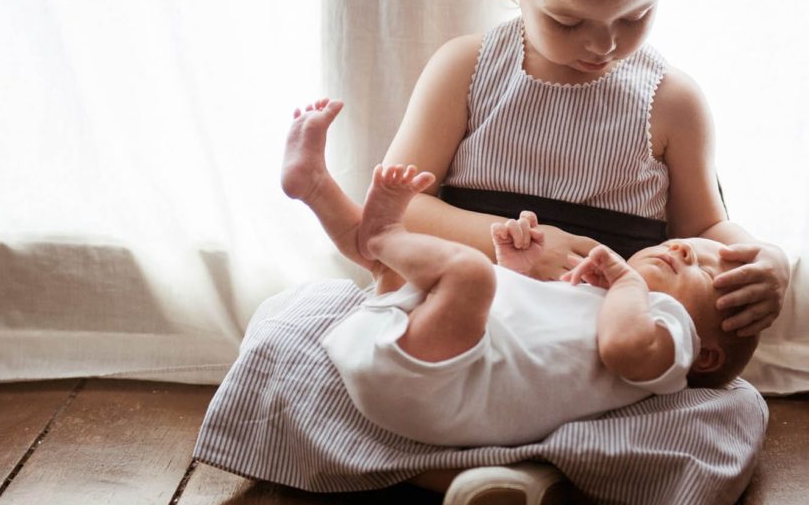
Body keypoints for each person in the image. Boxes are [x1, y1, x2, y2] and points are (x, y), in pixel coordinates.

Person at [194, 0, 785, 505]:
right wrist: (528, 253)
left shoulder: (669, 102)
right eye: (569, 20)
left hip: (589, 367)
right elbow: (397, 215)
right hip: (464, 333)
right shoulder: (467, 72)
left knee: (729, 413)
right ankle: (532, 479)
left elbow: (705, 230)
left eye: (633, 15)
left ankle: (475, 476)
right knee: (291, 328)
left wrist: (760, 261)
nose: (602, 46)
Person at [283, 98, 758, 458]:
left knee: (467, 274)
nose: (682, 248)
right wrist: (519, 270)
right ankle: (317, 187)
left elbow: (621, 348)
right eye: (690, 246)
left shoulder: (671, 339)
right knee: (394, 272)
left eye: (704, 268)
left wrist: (630, 283)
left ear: (709, 353)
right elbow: (527, 321)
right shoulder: (600, 296)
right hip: (429, 358)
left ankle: (384, 231)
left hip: (439, 385)